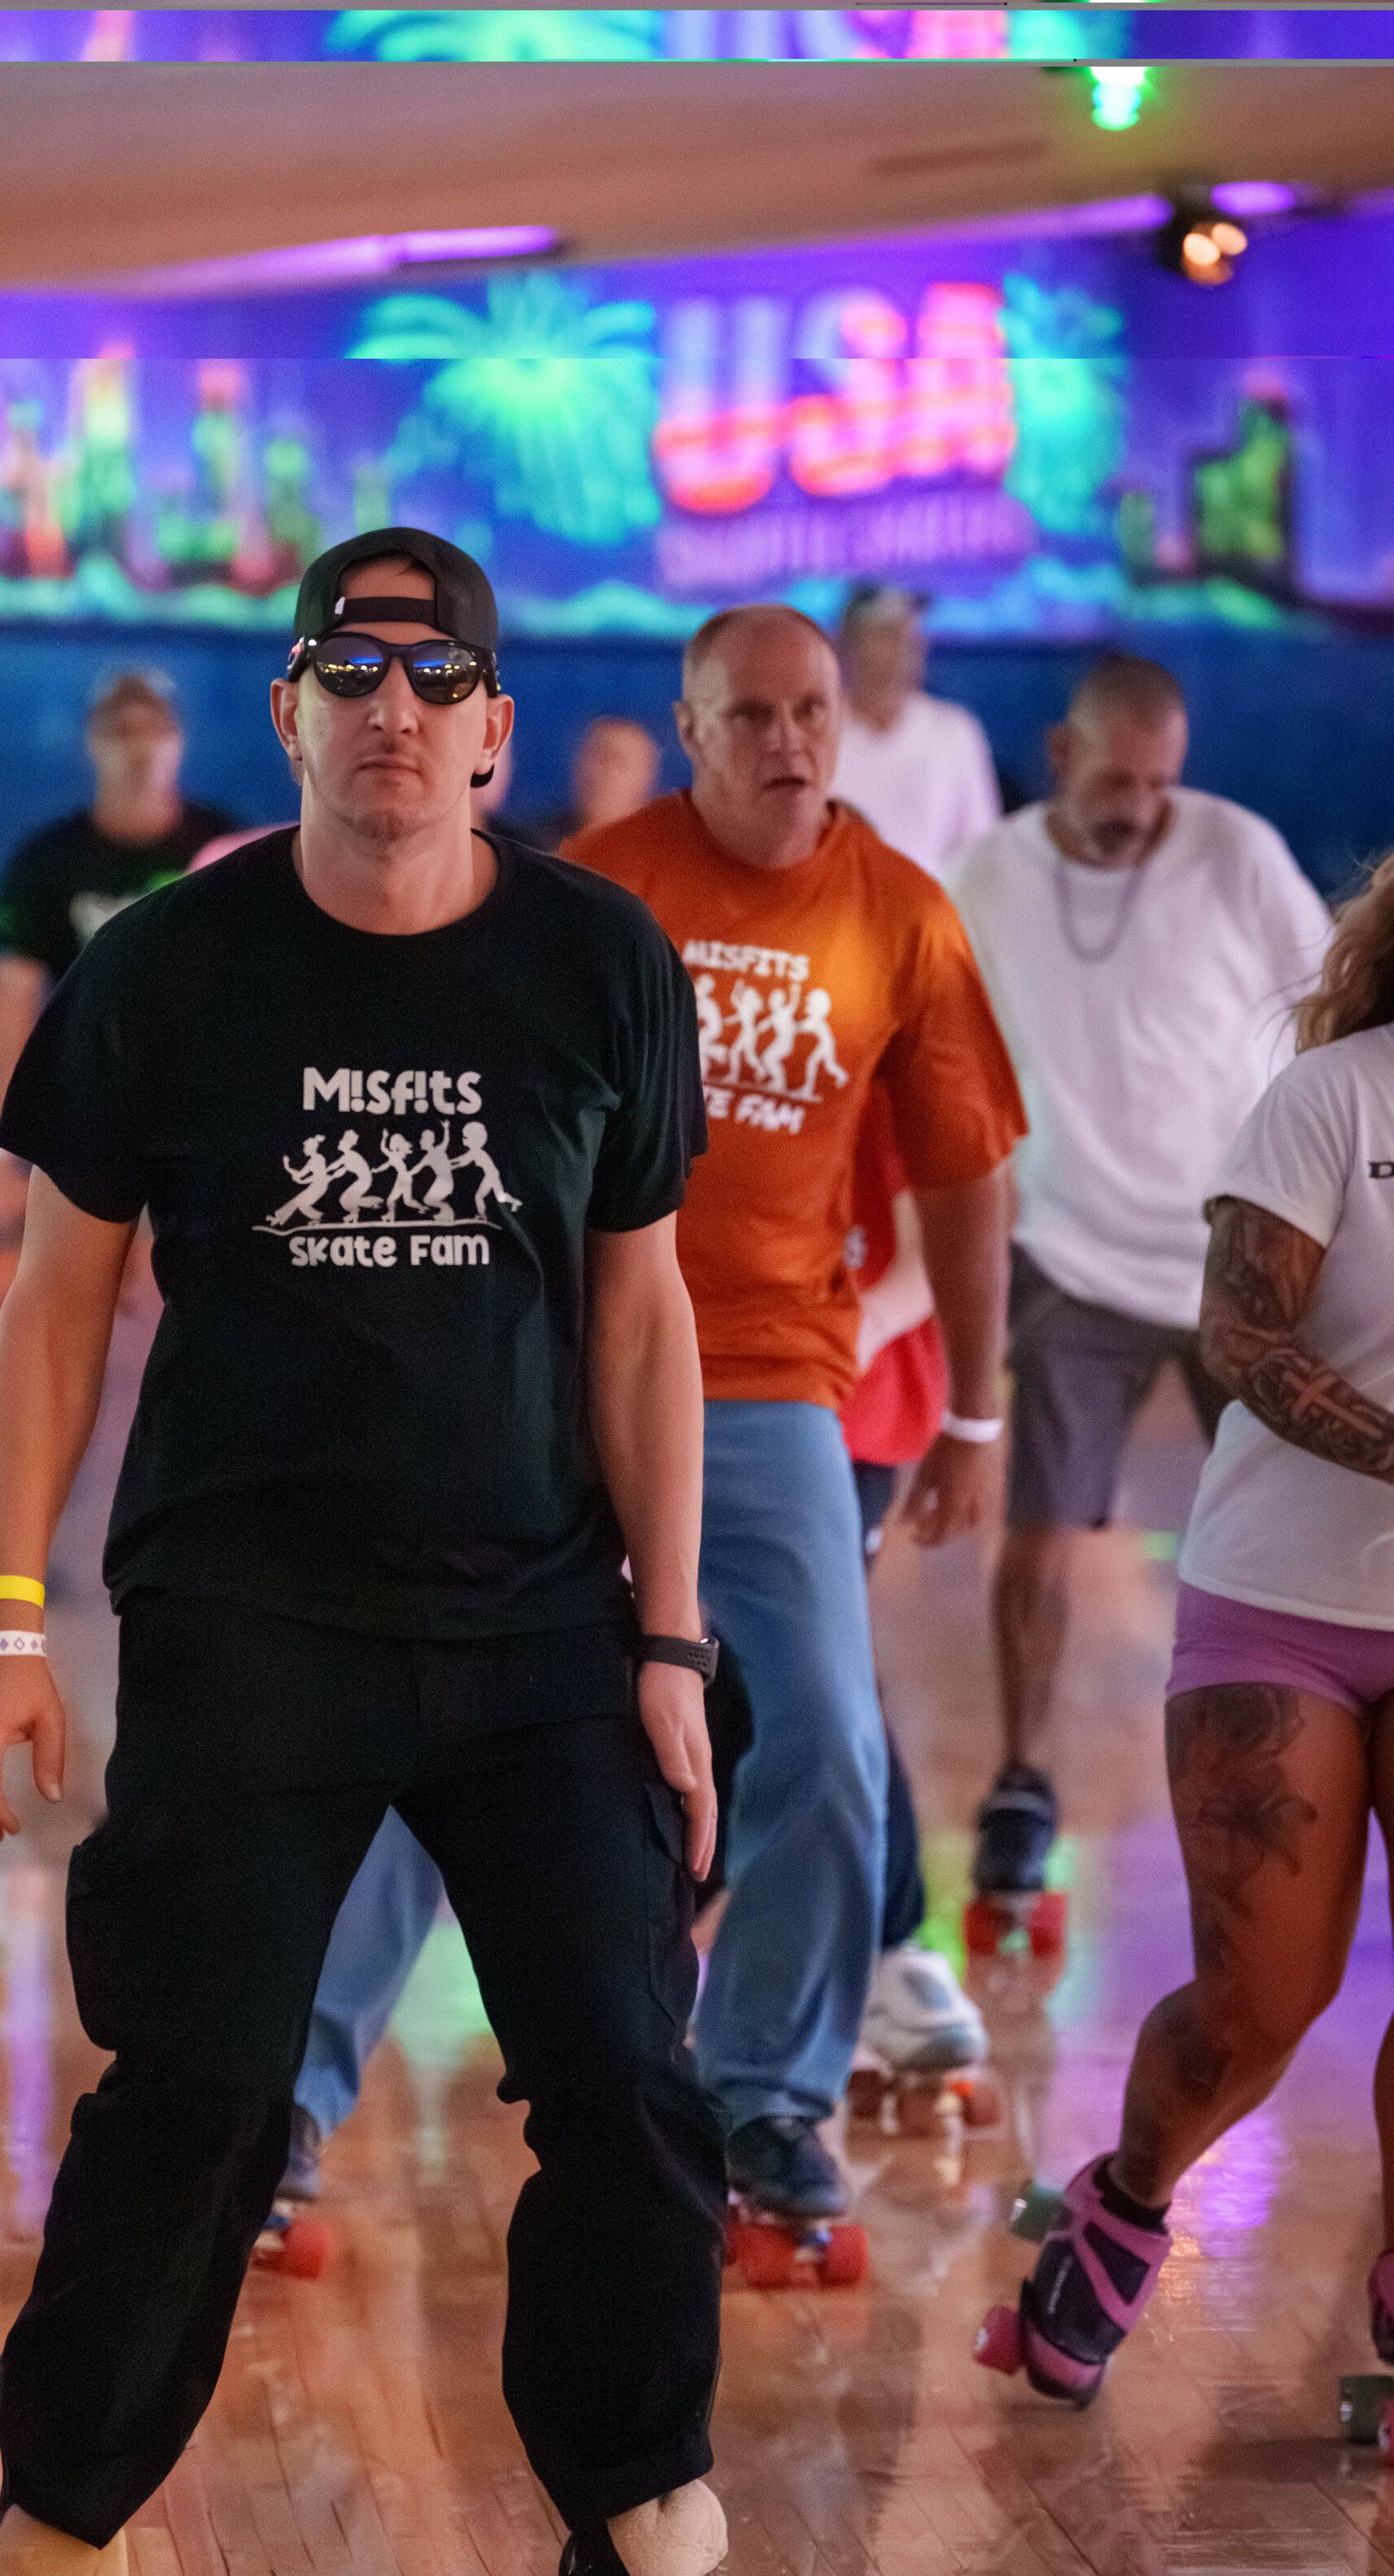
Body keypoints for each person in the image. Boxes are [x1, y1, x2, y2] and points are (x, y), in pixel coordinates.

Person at [0, 526, 732, 2576]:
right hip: (246, 1624)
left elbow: (639, 1309)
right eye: (345, 669)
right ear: (285, 712)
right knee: (186, 2101)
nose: (392, 709)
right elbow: (56, 1302)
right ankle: (49, 2558)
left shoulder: (594, 960)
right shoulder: (170, 969)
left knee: (628, 2088)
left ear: (491, 727)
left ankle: (645, 2541)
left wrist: (667, 1640)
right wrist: (5, 1614)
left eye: (433, 676)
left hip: (533, 1630)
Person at [567, 603, 1024, 2226]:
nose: (784, 742)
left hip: (766, 1386)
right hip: (558, 1373)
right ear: (687, 729)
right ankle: (286, 2117)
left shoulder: (900, 914)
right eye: (747, 715)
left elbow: (968, 1173)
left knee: (825, 1740)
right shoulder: (593, 888)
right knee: (449, 1719)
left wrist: (974, 1413)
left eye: (808, 713)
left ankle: (763, 2099)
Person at [978, 850, 1394, 2404]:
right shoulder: (1333, 1101)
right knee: (1258, 2008)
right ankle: (1127, 2205)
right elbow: (1239, 1332)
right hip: (1287, 1605)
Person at [948, 653, 1331, 1909]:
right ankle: (1021, 1781)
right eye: (1119, 781)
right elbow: (943, 1044)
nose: (1144, 808)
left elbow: (1334, 1017)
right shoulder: (993, 871)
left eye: (1163, 783)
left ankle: (1313, 1775)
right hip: (1072, 1251)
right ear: (1062, 756)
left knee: (1315, 1527)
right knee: (1042, 1532)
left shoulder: (1232, 849)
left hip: (1243, 1256)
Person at [0, 666, 235, 1220]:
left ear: (179, 743)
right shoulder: (47, 862)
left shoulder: (224, 848)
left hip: (205, 1109)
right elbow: (11, 1000)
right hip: (89, 1115)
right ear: (91, 744)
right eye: (120, 731)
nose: (139, 748)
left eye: (154, 730)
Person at [842, 1089, 986, 2066]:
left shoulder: (879, 962)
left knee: (818, 1667)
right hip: (663, 1372)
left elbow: (952, 1215)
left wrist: (846, 1332)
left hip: (832, 1398)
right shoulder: (642, 950)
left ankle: (888, 1949)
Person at [829, 583, 999, 881]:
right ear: (848, 642)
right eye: (886, 632)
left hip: (930, 918)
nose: (903, 645)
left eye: (909, 632)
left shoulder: (954, 731)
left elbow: (979, 849)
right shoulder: (813, 731)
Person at [537, 715, 663, 850]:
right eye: (598, 757)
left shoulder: (662, 853)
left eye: (619, 761)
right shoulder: (535, 842)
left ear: (646, 775)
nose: (607, 771)